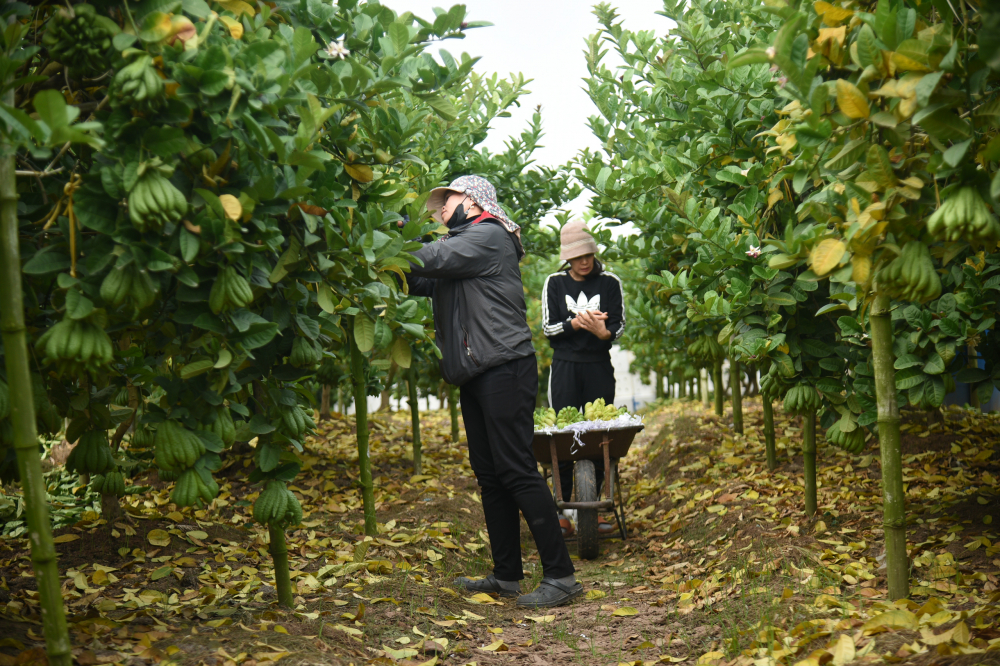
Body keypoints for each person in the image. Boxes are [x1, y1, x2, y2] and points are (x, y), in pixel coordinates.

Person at [403, 175, 583, 608]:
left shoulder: (487, 235)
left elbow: (429, 257)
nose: (442, 206)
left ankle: (561, 576)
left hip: (504, 366)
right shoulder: (461, 250)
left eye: (449, 198)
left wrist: (395, 243)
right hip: (476, 371)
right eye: (440, 201)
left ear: (473, 200)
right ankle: (506, 576)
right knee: (490, 475)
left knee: (516, 468)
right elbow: (419, 277)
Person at [541, 220, 625, 536]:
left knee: (599, 434)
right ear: (568, 259)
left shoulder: (609, 282)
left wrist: (604, 332)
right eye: (577, 257)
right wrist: (576, 325)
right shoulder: (554, 283)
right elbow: (548, 328)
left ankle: (600, 508)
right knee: (562, 436)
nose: (584, 261)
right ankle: (561, 511)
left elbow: (617, 324)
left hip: (598, 366)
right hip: (564, 367)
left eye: (588, 254)